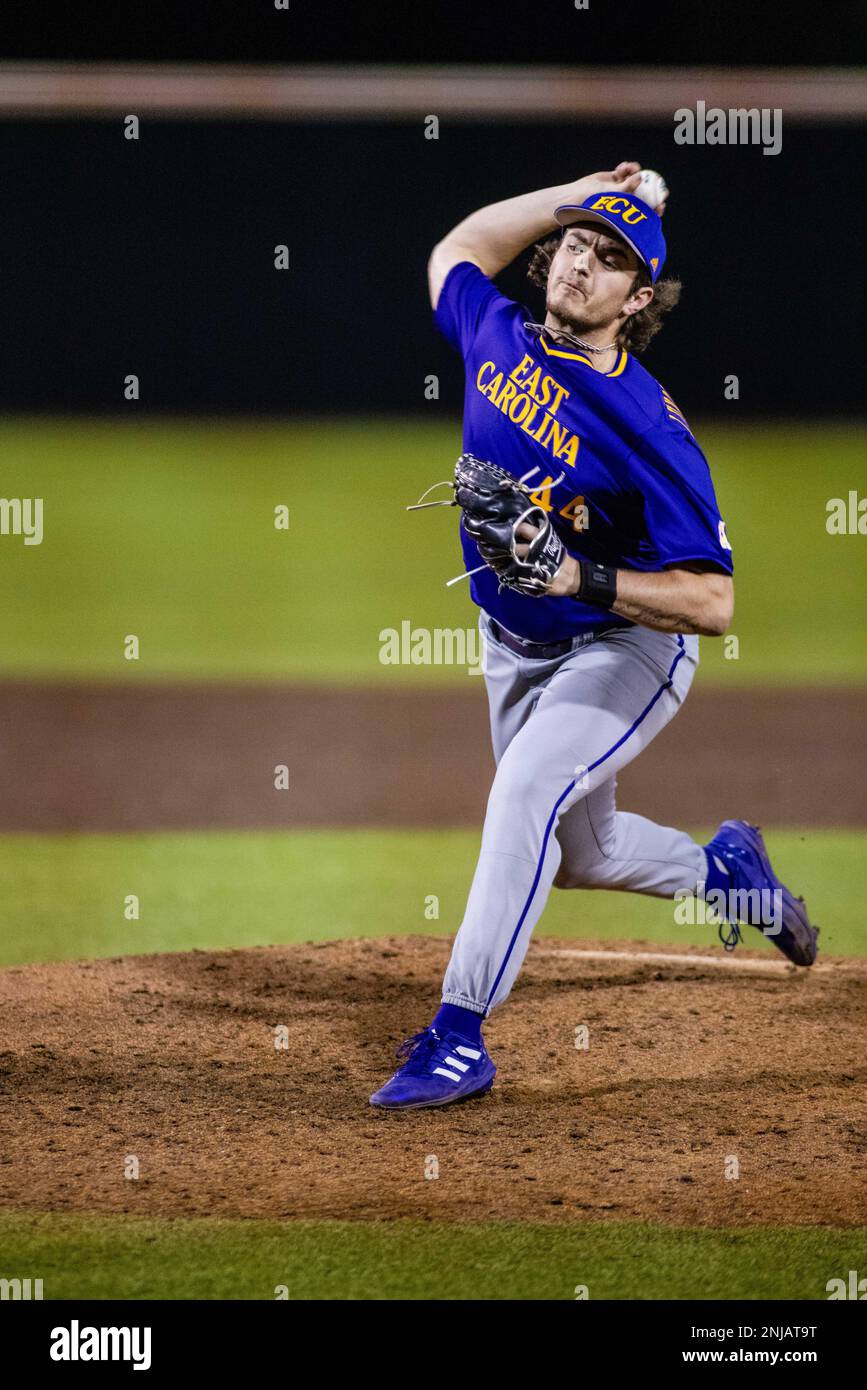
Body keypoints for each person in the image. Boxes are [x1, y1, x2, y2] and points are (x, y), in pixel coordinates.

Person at [370, 162, 817, 1112]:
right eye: (576, 244)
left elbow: (712, 603)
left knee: (524, 792)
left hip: (625, 647)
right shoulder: (492, 330)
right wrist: (569, 195)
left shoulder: (648, 426)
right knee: (581, 856)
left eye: (609, 259)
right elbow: (457, 248)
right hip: (515, 642)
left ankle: (458, 1037)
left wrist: (583, 577)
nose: (581, 264)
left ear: (636, 299)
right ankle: (729, 877)